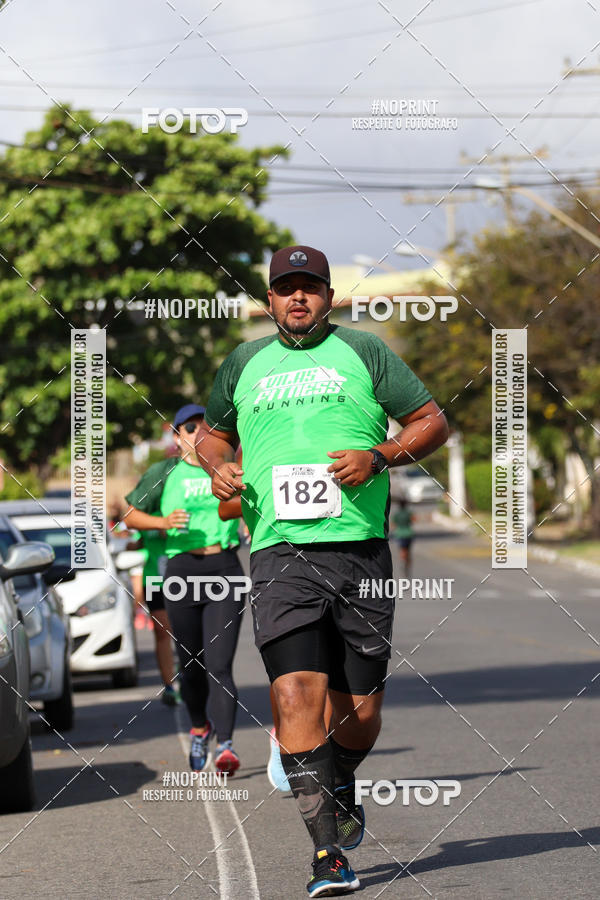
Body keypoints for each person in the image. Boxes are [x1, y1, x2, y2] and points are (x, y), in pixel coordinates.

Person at [197, 245, 449, 896]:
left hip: (359, 549)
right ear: (271, 299)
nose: (298, 298)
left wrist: (380, 455)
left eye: (311, 287)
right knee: (293, 696)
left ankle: (341, 779)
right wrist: (218, 463)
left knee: (359, 712)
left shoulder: (365, 353)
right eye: (286, 289)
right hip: (281, 553)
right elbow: (213, 434)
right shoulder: (244, 363)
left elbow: (432, 420)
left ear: (330, 296)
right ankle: (327, 855)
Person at [123, 404, 246, 775]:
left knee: (220, 665)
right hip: (180, 571)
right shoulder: (165, 472)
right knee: (192, 665)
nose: (198, 433)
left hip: (224, 568)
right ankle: (199, 727)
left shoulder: (228, 468)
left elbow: (255, 502)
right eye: (189, 428)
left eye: (205, 427)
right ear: (177, 437)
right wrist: (161, 521)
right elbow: (129, 515)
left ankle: (225, 745)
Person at [392, 497, 414, 578]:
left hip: (399, 534)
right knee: (408, 551)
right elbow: (413, 520)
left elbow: (393, 524)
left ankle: (402, 561)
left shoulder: (397, 514)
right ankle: (407, 564)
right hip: (408, 533)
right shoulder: (408, 513)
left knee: (402, 549)